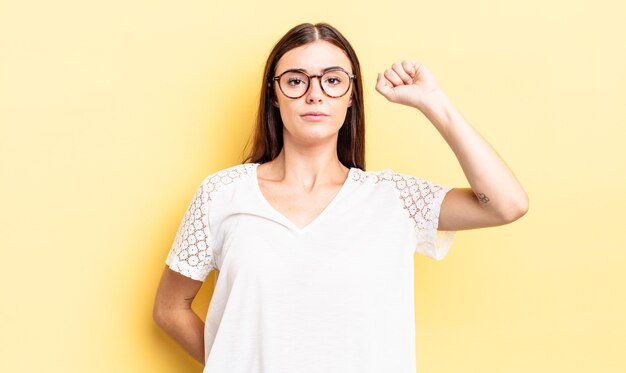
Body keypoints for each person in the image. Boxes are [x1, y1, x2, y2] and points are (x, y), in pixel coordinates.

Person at [153, 22, 528, 372]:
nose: (315, 93)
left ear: (351, 95)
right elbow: (169, 308)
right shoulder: (222, 194)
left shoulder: (394, 198)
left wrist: (434, 103)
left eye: (332, 80)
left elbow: (506, 204)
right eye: (296, 80)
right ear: (274, 95)